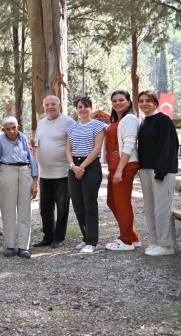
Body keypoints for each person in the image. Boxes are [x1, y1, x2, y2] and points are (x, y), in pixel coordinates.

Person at [137, 90, 179, 256]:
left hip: (162, 171)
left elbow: (168, 147)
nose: (144, 103)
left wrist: (160, 172)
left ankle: (166, 245)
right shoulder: (144, 122)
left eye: (148, 100)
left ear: (155, 103)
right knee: (150, 208)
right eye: (141, 101)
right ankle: (155, 241)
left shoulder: (164, 120)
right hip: (146, 170)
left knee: (162, 209)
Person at [33, 95, 75, 249]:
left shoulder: (68, 122)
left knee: (62, 207)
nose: (50, 107)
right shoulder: (42, 122)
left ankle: (59, 237)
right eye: (47, 104)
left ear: (59, 106)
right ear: (44, 107)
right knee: (45, 208)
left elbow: (74, 144)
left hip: (63, 173)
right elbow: (38, 142)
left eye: (53, 104)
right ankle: (47, 236)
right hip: (45, 173)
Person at [66, 96, 106, 254]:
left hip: (90, 166)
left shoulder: (98, 125)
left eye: (85, 106)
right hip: (74, 166)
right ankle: (85, 237)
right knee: (77, 204)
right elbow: (68, 149)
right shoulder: (72, 127)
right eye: (79, 107)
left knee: (89, 204)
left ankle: (92, 241)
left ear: (91, 108)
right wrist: (73, 166)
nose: (82, 109)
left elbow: (97, 149)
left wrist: (82, 167)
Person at [104, 90, 142, 251]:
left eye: (121, 100)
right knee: (112, 202)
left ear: (128, 102)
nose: (117, 103)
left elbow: (129, 144)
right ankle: (133, 238)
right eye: (114, 100)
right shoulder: (117, 120)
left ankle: (126, 241)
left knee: (122, 203)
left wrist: (120, 170)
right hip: (115, 166)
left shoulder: (130, 119)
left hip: (125, 166)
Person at [0, 116, 38, 259]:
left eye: (13, 127)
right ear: (3, 130)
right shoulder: (0, 140)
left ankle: (23, 247)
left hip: (24, 171)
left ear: (18, 127)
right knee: (8, 210)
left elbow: (32, 158)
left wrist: (35, 181)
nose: (11, 131)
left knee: (25, 209)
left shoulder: (24, 138)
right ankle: (9, 245)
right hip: (7, 171)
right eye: (7, 129)